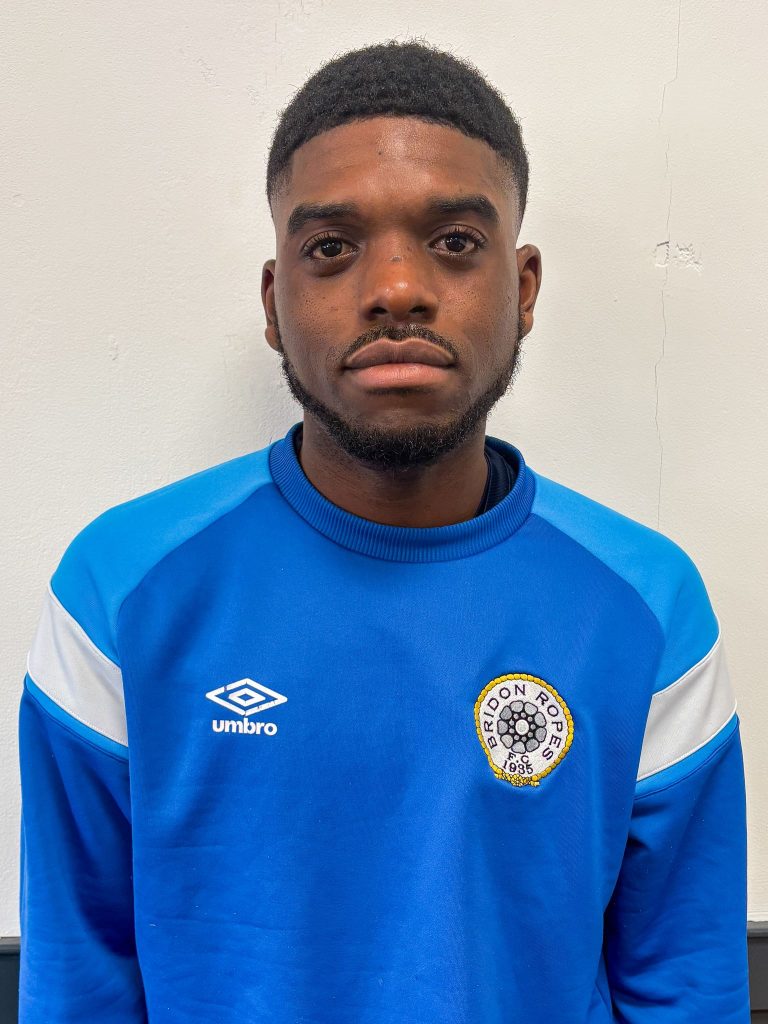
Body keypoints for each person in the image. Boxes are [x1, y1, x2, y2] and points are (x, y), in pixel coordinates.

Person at [17, 39, 750, 1023]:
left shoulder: (646, 609)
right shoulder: (122, 592)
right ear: (274, 303)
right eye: (332, 247)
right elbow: (78, 983)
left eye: (454, 241)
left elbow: (685, 987)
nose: (397, 288)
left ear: (525, 288)